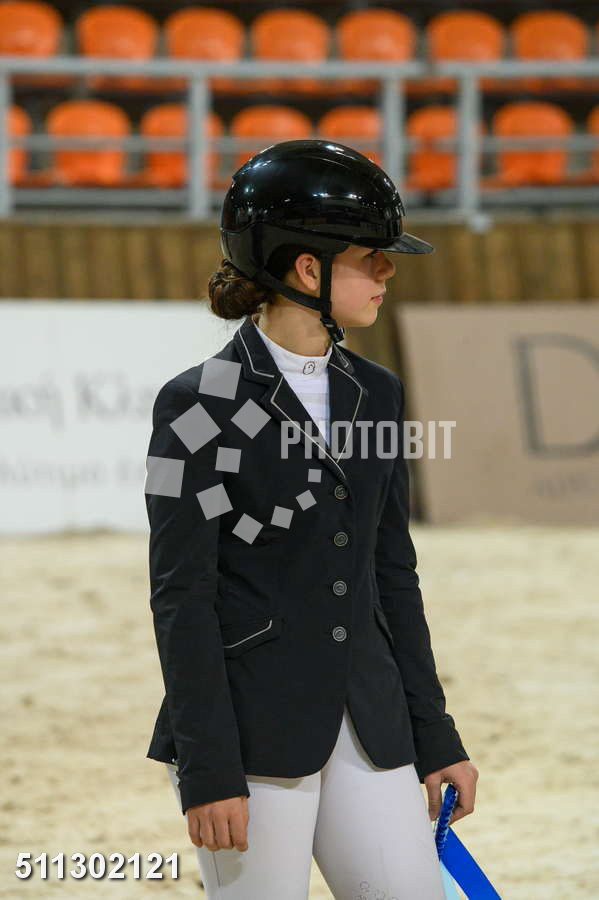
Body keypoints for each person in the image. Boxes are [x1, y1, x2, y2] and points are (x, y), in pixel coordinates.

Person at [144, 140, 478, 900]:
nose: (388, 271)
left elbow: (391, 573)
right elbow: (182, 595)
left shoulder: (377, 394)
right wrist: (209, 768)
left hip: (370, 718)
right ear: (306, 269)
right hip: (251, 734)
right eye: (371, 257)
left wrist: (435, 735)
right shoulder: (195, 404)